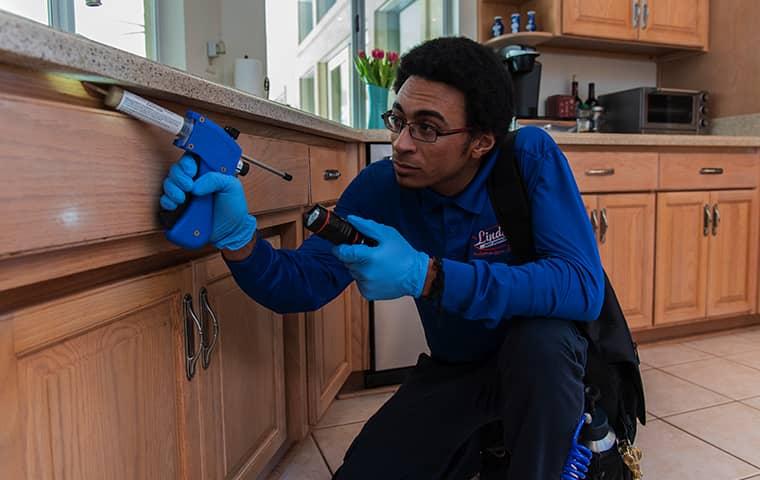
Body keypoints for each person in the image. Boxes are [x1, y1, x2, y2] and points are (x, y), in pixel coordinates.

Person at [160, 37, 604, 479]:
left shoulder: (527, 157)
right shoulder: (383, 186)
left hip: (542, 370)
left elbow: (582, 286)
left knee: (540, 348)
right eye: (399, 120)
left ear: (481, 141)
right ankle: (490, 444)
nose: (401, 143)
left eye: (427, 128)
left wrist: (428, 276)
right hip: (458, 368)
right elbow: (304, 283)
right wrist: (239, 239)